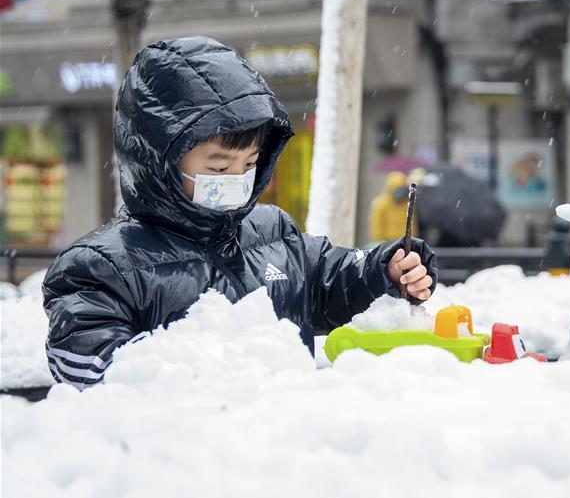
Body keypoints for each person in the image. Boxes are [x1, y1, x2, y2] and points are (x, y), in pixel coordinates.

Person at [42, 36, 437, 390]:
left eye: (249, 166)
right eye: (218, 168)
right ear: (158, 160)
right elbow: (95, 375)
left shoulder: (272, 231)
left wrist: (386, 271)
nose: (236, 179)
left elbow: (332, 280)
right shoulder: (101, 269)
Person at [369, 171, 417, 243]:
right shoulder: (381, 203)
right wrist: (378, 241)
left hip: (405, 241)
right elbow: (377, 224)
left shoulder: (409, 203)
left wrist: (413, 238)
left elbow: (413, 224)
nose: (399, 192)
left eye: (400, 188)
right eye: (396, 189)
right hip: (386, 241)